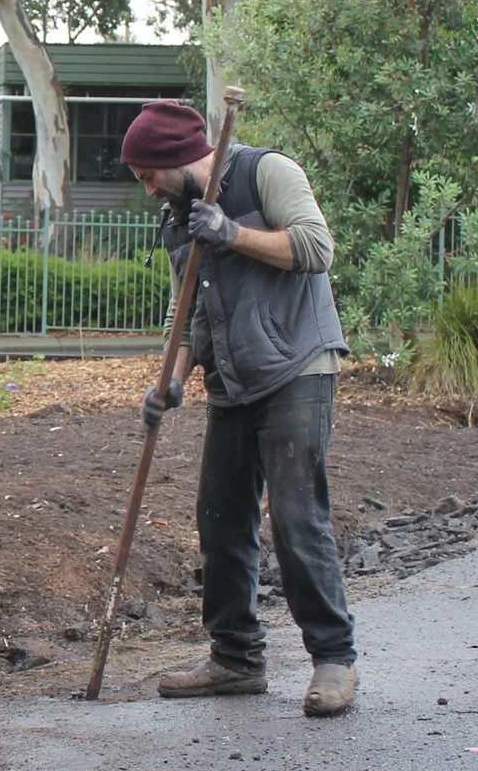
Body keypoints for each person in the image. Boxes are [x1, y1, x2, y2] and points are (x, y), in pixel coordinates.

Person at [121, 98, 358, 715]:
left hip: (298, 365)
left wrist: (231, 232)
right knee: (220, 518)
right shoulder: (178, 219)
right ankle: (235, 659)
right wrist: (170, 381)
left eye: (149, 175)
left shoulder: (266, 174)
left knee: (295, 514)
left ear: (175, 159)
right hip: (233, 376)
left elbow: (316, 248)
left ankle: (333, 660)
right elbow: (188, 311)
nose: (148, 190)